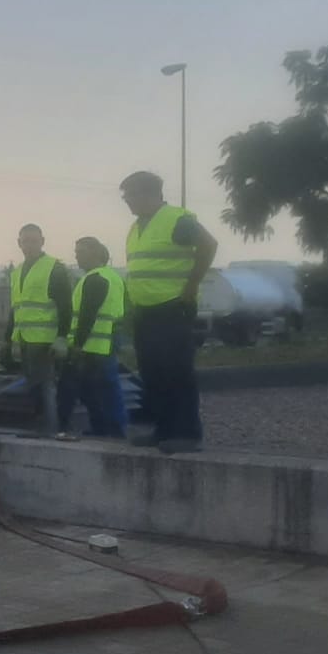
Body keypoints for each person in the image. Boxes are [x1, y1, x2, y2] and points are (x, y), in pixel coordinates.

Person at [120, 171, 217, 453]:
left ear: (148, 194)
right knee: (153, 372)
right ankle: (163, 430)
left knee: (176, 370)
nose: (127, 201)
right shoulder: (137, 227)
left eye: (130, 195)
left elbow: (209, 245)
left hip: (172, 307)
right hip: (145, 310)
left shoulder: (176, 219)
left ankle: (187, 433)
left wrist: (191, 287)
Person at [2, 224, 72, 437]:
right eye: (25, 241)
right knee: (33, 385)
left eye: (34, 240)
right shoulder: (17, 272)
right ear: (19, 243)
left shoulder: (54, 268)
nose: (29, 245)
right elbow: (16, 308)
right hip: (24, 338)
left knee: (46, 386)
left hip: (44, 340)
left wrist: (61, 337)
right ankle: (39, 426)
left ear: (42, 241)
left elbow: (65, 306)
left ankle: (50, 429)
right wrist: (7, 339)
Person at [60, 237, 128, 439]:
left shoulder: (95, 278)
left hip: (95, 344)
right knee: (96, 388)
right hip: (106, 339)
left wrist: (78, 345)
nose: (77, 256)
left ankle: (113, 429)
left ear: (96, 253)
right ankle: (105, 427)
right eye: (76, 251)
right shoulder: (112, 276)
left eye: (81, 251)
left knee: (103, 388)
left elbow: (87, 314)